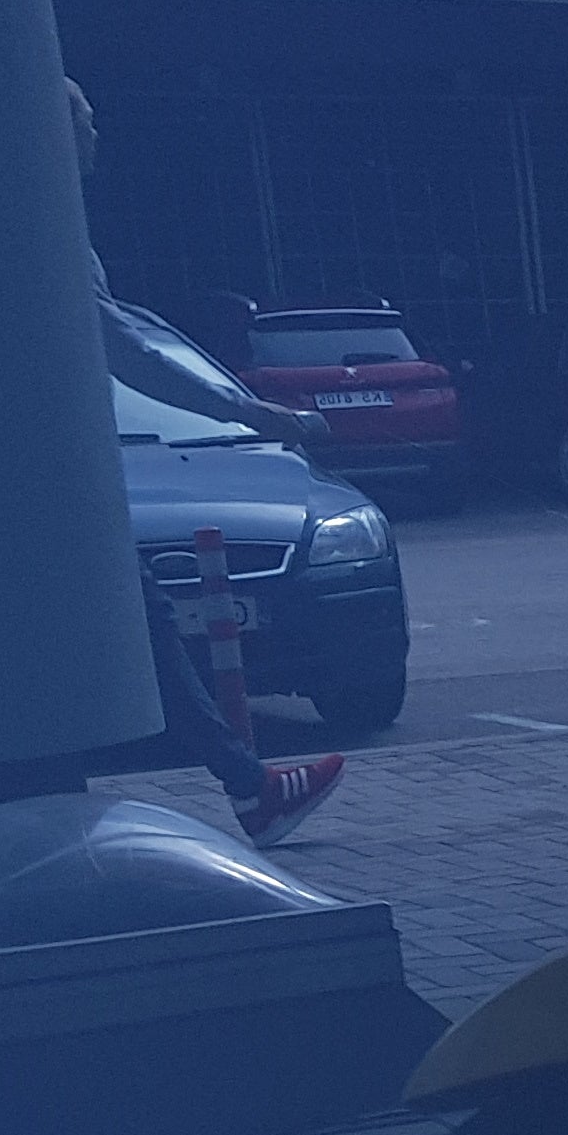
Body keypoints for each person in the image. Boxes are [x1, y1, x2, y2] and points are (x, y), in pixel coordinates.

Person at [72, 81, 346, 847]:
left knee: (133, 616)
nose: (98, 132)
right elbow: (126, 350)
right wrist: (251, 413)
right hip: (43, 472)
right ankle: (250, 788)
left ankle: (248, 785)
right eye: (85, 117)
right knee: (137, 617)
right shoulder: (44, 230)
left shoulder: (34, 226)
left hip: (40, 468)